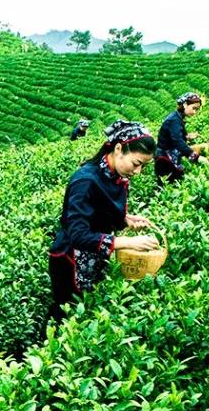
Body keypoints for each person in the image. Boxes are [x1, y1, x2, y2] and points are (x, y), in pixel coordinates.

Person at [49, 121, 159, 321]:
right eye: (136, 163)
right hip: (71, 260)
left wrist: (125, 219)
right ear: (119, 149)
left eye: (143, 166)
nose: (138, 172)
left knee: (89, 312)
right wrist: (126, 242)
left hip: (95, 258)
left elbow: (99, 211)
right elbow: (78, 234)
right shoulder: (86, 180)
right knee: (67, 316)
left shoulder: (116, 176)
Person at [155, 92, 207, 188]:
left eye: (197, 109)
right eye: (194, 108)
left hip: (170, 156)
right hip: (165, 159)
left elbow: (173, 136)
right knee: (167, 187)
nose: (195, 112)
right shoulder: (174, 120)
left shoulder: (178, 117)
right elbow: (178, 143)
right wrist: (197, 157)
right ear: (185, 105)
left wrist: (187, 136)